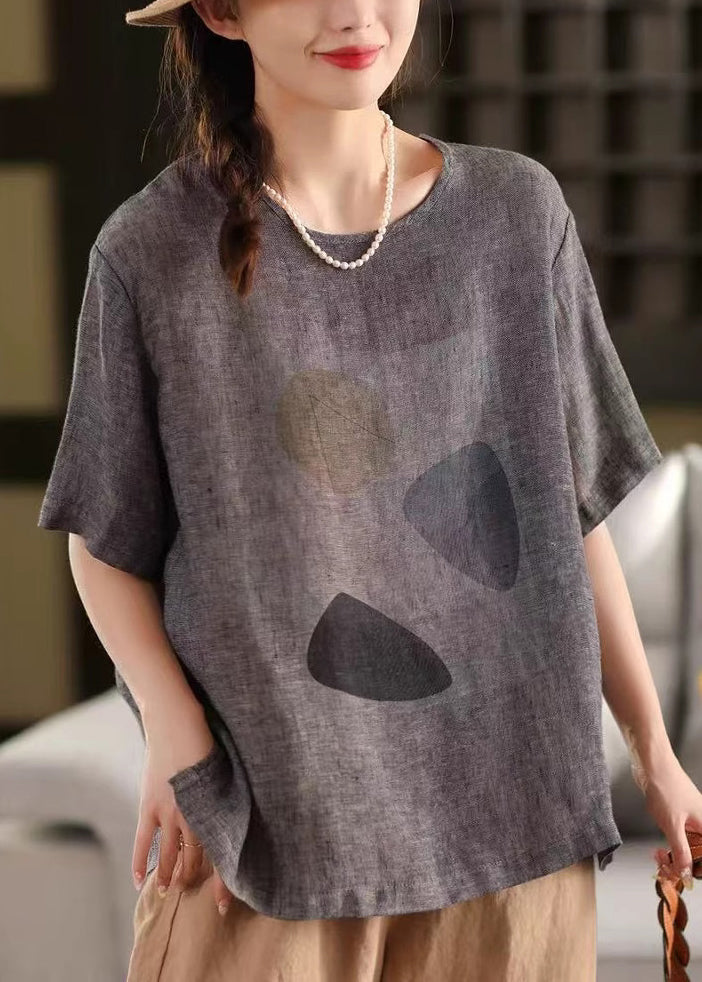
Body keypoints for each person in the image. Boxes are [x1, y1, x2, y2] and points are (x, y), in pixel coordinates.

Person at [36, 0, 702, 979]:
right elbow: (102, 541)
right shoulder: (152, 253)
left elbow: (566, 515)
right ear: (221, 11)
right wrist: (176, 737)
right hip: (269, 837)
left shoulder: (516, 217)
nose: (354, 13)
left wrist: (656, 755)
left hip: (515, 839)